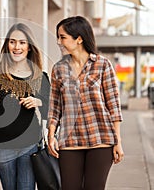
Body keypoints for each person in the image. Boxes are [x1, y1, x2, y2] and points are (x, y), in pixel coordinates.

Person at [47, 16, 124, 190]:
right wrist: (51, 136)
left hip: (101, 140)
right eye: (58, 37)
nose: (59, 41)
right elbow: (55, 106)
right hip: (69, 141)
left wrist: (117, 141)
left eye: (63, 37)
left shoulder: (103, 65)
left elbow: (114, 106)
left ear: (79, 39)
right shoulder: (58, 69)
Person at [0, 23, 50, 190]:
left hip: (30, 144)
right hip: (2, 146)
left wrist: (38, 102)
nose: (17, 47)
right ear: (7, 45)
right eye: (12, 42)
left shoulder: (40, 76)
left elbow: (52, 109)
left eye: (22, 42)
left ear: (29, 47)